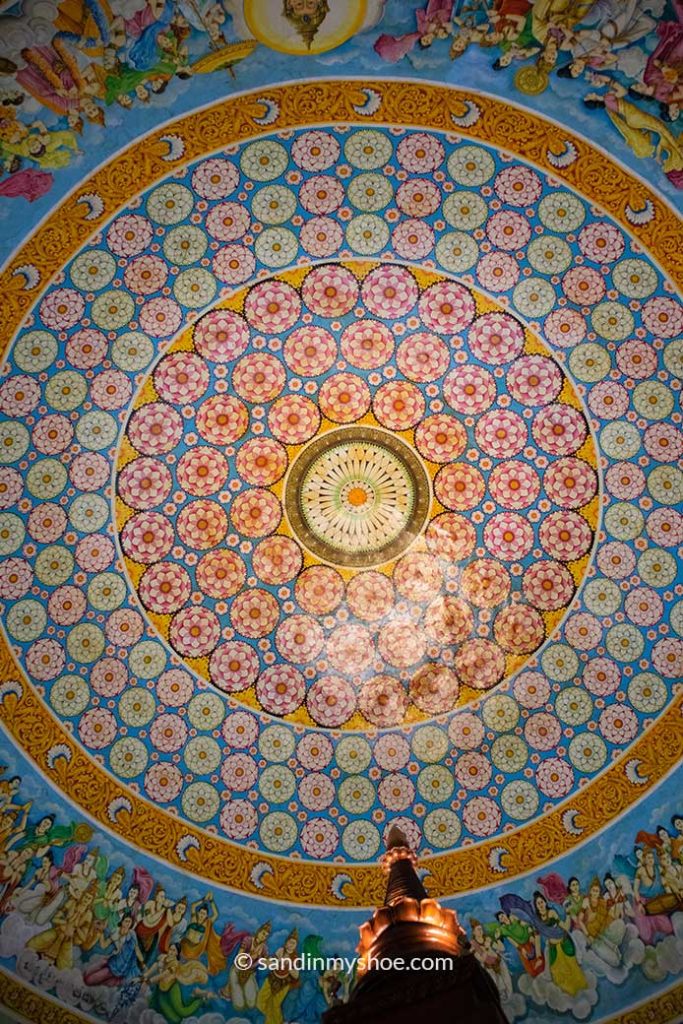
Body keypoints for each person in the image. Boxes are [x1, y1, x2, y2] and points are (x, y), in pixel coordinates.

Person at [533, 892, 588, 997]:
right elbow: (537, 939)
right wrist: (539, 957)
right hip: (553, 949)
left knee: (573, 969)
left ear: (545, 902)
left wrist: (567, 913)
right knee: (558, 973)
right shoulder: (537, 921)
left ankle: (581, 993)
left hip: (564, 944)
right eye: (538, 903)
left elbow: (565, 927)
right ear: (536, 906)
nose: (541, 905)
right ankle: (569, 997)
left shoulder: (552, 913)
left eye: (542, 902)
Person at [256, 928, 300, 1024]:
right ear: (286, 943)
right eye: (290, 942)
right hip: (272, 978)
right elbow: (272, 961)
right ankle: (273, 1019)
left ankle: (276, 1021)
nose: (291, 945)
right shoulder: (281, 951)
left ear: (296, 946)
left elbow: (296, 975)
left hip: (284, 983)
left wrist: (288, 966)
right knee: (260, 1001)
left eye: (294, 943)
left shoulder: (295, 957)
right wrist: (267, 962)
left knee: (275, 1005)